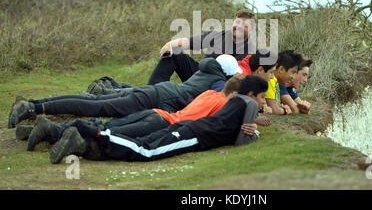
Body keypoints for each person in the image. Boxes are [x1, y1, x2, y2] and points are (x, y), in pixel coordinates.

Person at [48, 75, 268, 164]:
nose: (262, 103)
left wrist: (253, 127)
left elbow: (226, 122)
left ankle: (75, 142)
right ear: (248, 95)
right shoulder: (238, 104)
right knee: (142, 149)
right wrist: (254, 127)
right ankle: (89, 132)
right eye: (261, 99)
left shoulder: (211, 94)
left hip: (162, 114)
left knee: (104, 114)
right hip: (171, 125)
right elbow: (238, 132)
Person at [8, 55, 239, 128]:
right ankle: (33, 108)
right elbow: (227, 100)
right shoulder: (219, 82)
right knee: (96, 106)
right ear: (227, 74)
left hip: (156, 90)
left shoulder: (206, 69)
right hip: (156, 97)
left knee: (93, 100)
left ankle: (33, 104)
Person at [24, 75, 244, 151]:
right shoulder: (223, 104)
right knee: (106, 127)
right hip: (160, 121)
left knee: (104, 120)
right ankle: (48, 124)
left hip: (155, 108)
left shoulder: (209, 93)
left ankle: (48, 127)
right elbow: (220, 125)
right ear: (235, 94)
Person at [148, 9, 259, 85]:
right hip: (198, 75)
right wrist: (170, 44)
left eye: (245, 25)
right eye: (237, 22)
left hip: (219, 86)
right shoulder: (217, 35)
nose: (239, 26)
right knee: (175, 51)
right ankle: (152, 91)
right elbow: (189, 41)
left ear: (251, 29)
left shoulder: (252, 51)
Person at [264, 50, 302, 115]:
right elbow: (275, 110)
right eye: (293, 72)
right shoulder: (271, 80)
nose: (293, 77)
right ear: (281, 69)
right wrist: (285, 110)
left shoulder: (276, 81)